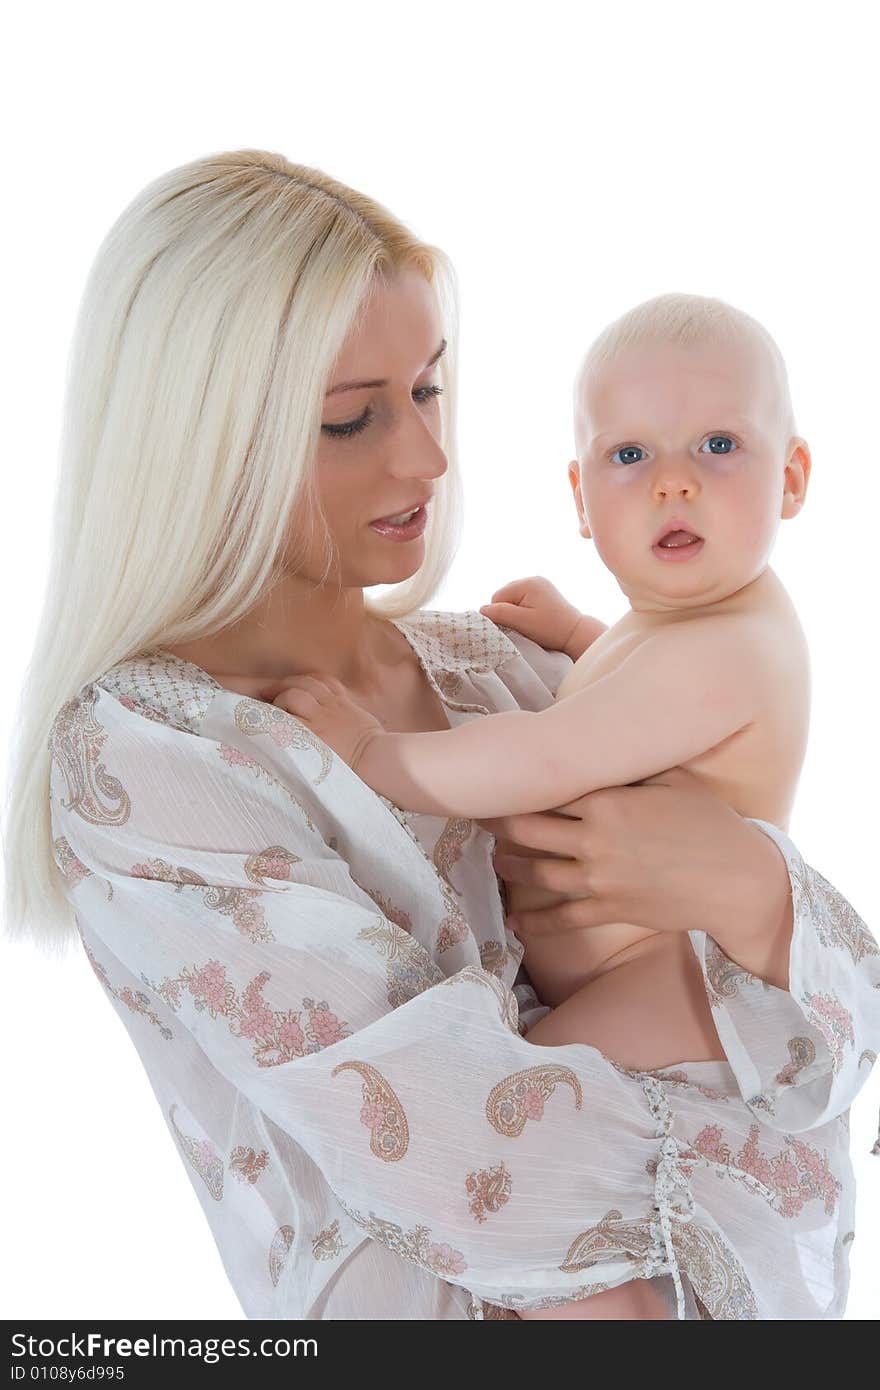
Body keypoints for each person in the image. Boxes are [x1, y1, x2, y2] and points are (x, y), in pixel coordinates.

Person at [3, 150, 876, 1321]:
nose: (424, 456)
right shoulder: (150, 761)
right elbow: (458, 1151)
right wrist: (762, 956)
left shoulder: (508, 673)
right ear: (203, 442)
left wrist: (756, 889)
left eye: (427, 390)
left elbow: (839, 1045)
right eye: (350, 418)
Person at [274, 293, 880, 1318]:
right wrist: (582, 631)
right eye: (629, 456)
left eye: (718, 444)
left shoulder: (731, 645)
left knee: (491, 1121)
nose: (674, 479)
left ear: (792, 479)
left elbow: (549, 754)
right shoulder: (692, 625)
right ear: (580, 499)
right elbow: (641, 702)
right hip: (641, 970)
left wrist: (375, 752)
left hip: (673, 985)